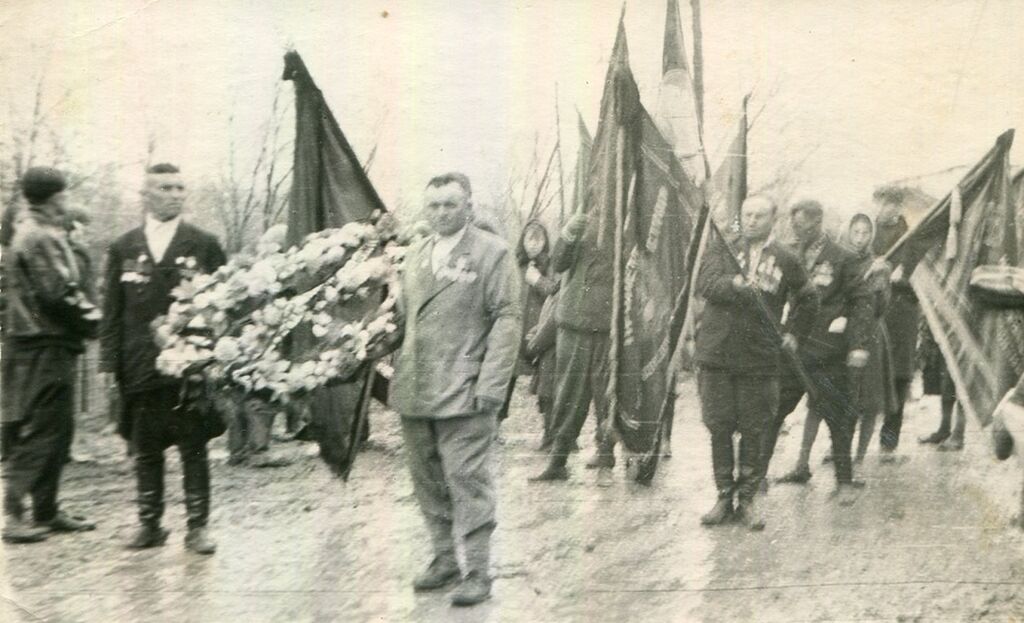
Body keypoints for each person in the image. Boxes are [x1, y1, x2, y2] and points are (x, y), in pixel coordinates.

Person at [389, 172, 520, 607]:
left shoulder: (492, 252)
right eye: (434, 205)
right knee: (426, 479)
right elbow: (403, 317)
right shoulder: (415, 254)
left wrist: (492, 385)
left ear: (468, 207)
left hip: (465, 389)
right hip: (416, 387)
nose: (442, 213)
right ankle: (445, 559)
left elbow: (507, 319)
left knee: (467, 480)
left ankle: (478, 571)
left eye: (450, 204)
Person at [99, 163, 227, 554]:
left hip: (189, 365)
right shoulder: (124, 246)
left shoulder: (203, 243)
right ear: (146, 195)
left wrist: (215, 353)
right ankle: (149, 523)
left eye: (179, 188)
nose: (175, 194)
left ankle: (197, 527)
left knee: (193, 445)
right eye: (165, 188)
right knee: (145, 447)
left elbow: (225, 304)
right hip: (139, 363)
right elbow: (112, 310)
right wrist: (108, 363)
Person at [694, 195, 818, 530]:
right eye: (747, 214)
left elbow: (809, 298)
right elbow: (706, 284)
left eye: (759, 215)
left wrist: (794, 334)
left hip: (759, 357)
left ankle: (747, 500)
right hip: (718, 353)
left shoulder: (786, 257)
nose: (751, 221)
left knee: (754, 428)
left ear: (772, 219)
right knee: (719, 426)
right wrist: (734, 284)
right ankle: (723, 497)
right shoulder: (723, 248)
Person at [3, 167, 98, 543]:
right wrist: (96, 322)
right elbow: (59, 293)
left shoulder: (35, 230)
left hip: (43, 341)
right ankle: (12, 515)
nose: (67, 201)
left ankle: (46, 510)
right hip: (44, 343)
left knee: (58, 430)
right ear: (56, 197)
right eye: (65, 194)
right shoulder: (38, 235)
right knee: (43, 430)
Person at [761, 199, 873, 503]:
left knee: (837, 417)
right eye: (794, 225)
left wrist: (858, 344)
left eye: (803, 225)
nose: (798, 230)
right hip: (793, 348)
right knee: (774, 412)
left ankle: (845, 483)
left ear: (817, 221)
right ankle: (757, 478)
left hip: (828, 353)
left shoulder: (842, 258)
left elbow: (863, 302)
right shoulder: (789, 255)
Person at [528, 208, 617, 486]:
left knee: (606, 394)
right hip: (573, 320)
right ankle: (558, 460)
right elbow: (559, 263)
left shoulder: (626, 221)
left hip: (608, 323)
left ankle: (605, 456)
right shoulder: (582, 219)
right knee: (567, 393)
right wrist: (568, 233)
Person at [842, 214, 898, 463]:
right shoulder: (841, 260)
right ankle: (840, 449)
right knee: (845, 396)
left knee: (870, 399)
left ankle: (860, 455)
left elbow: (881, 307)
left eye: (865, 233)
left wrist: (882, 280)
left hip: (872, 335)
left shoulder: (878, 265)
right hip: (845, 332)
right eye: (856, 232)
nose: (860, 238)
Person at [871, 187, 921, 460]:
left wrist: (902, 276)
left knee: (898, 376)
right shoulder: (865, 230)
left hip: (902, 311)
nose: (886, 208)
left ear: (900, 206)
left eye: (893, 203)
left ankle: (889, 443)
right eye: (882, 202)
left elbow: (923, 280)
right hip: (869, 310)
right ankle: (843, 442)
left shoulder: (912, 234)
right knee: (862, 372)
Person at [508, 220, 559, 430]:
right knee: (506, 378)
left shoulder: (551, 265)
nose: (534, 244)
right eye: (530, 239)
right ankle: (495, 424)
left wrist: (538, 280)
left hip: (540, 332)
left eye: (539, 240)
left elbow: (557, 293)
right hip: (516, 330)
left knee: (547, 381)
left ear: (545, 242)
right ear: (523, 240)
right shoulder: (514, 264)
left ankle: (550, 429)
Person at [917, 324, 965, 451]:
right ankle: (944, 429)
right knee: (947, 386)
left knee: (963, 385)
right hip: (946, 334)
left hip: (965, 334)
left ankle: (958, 433)